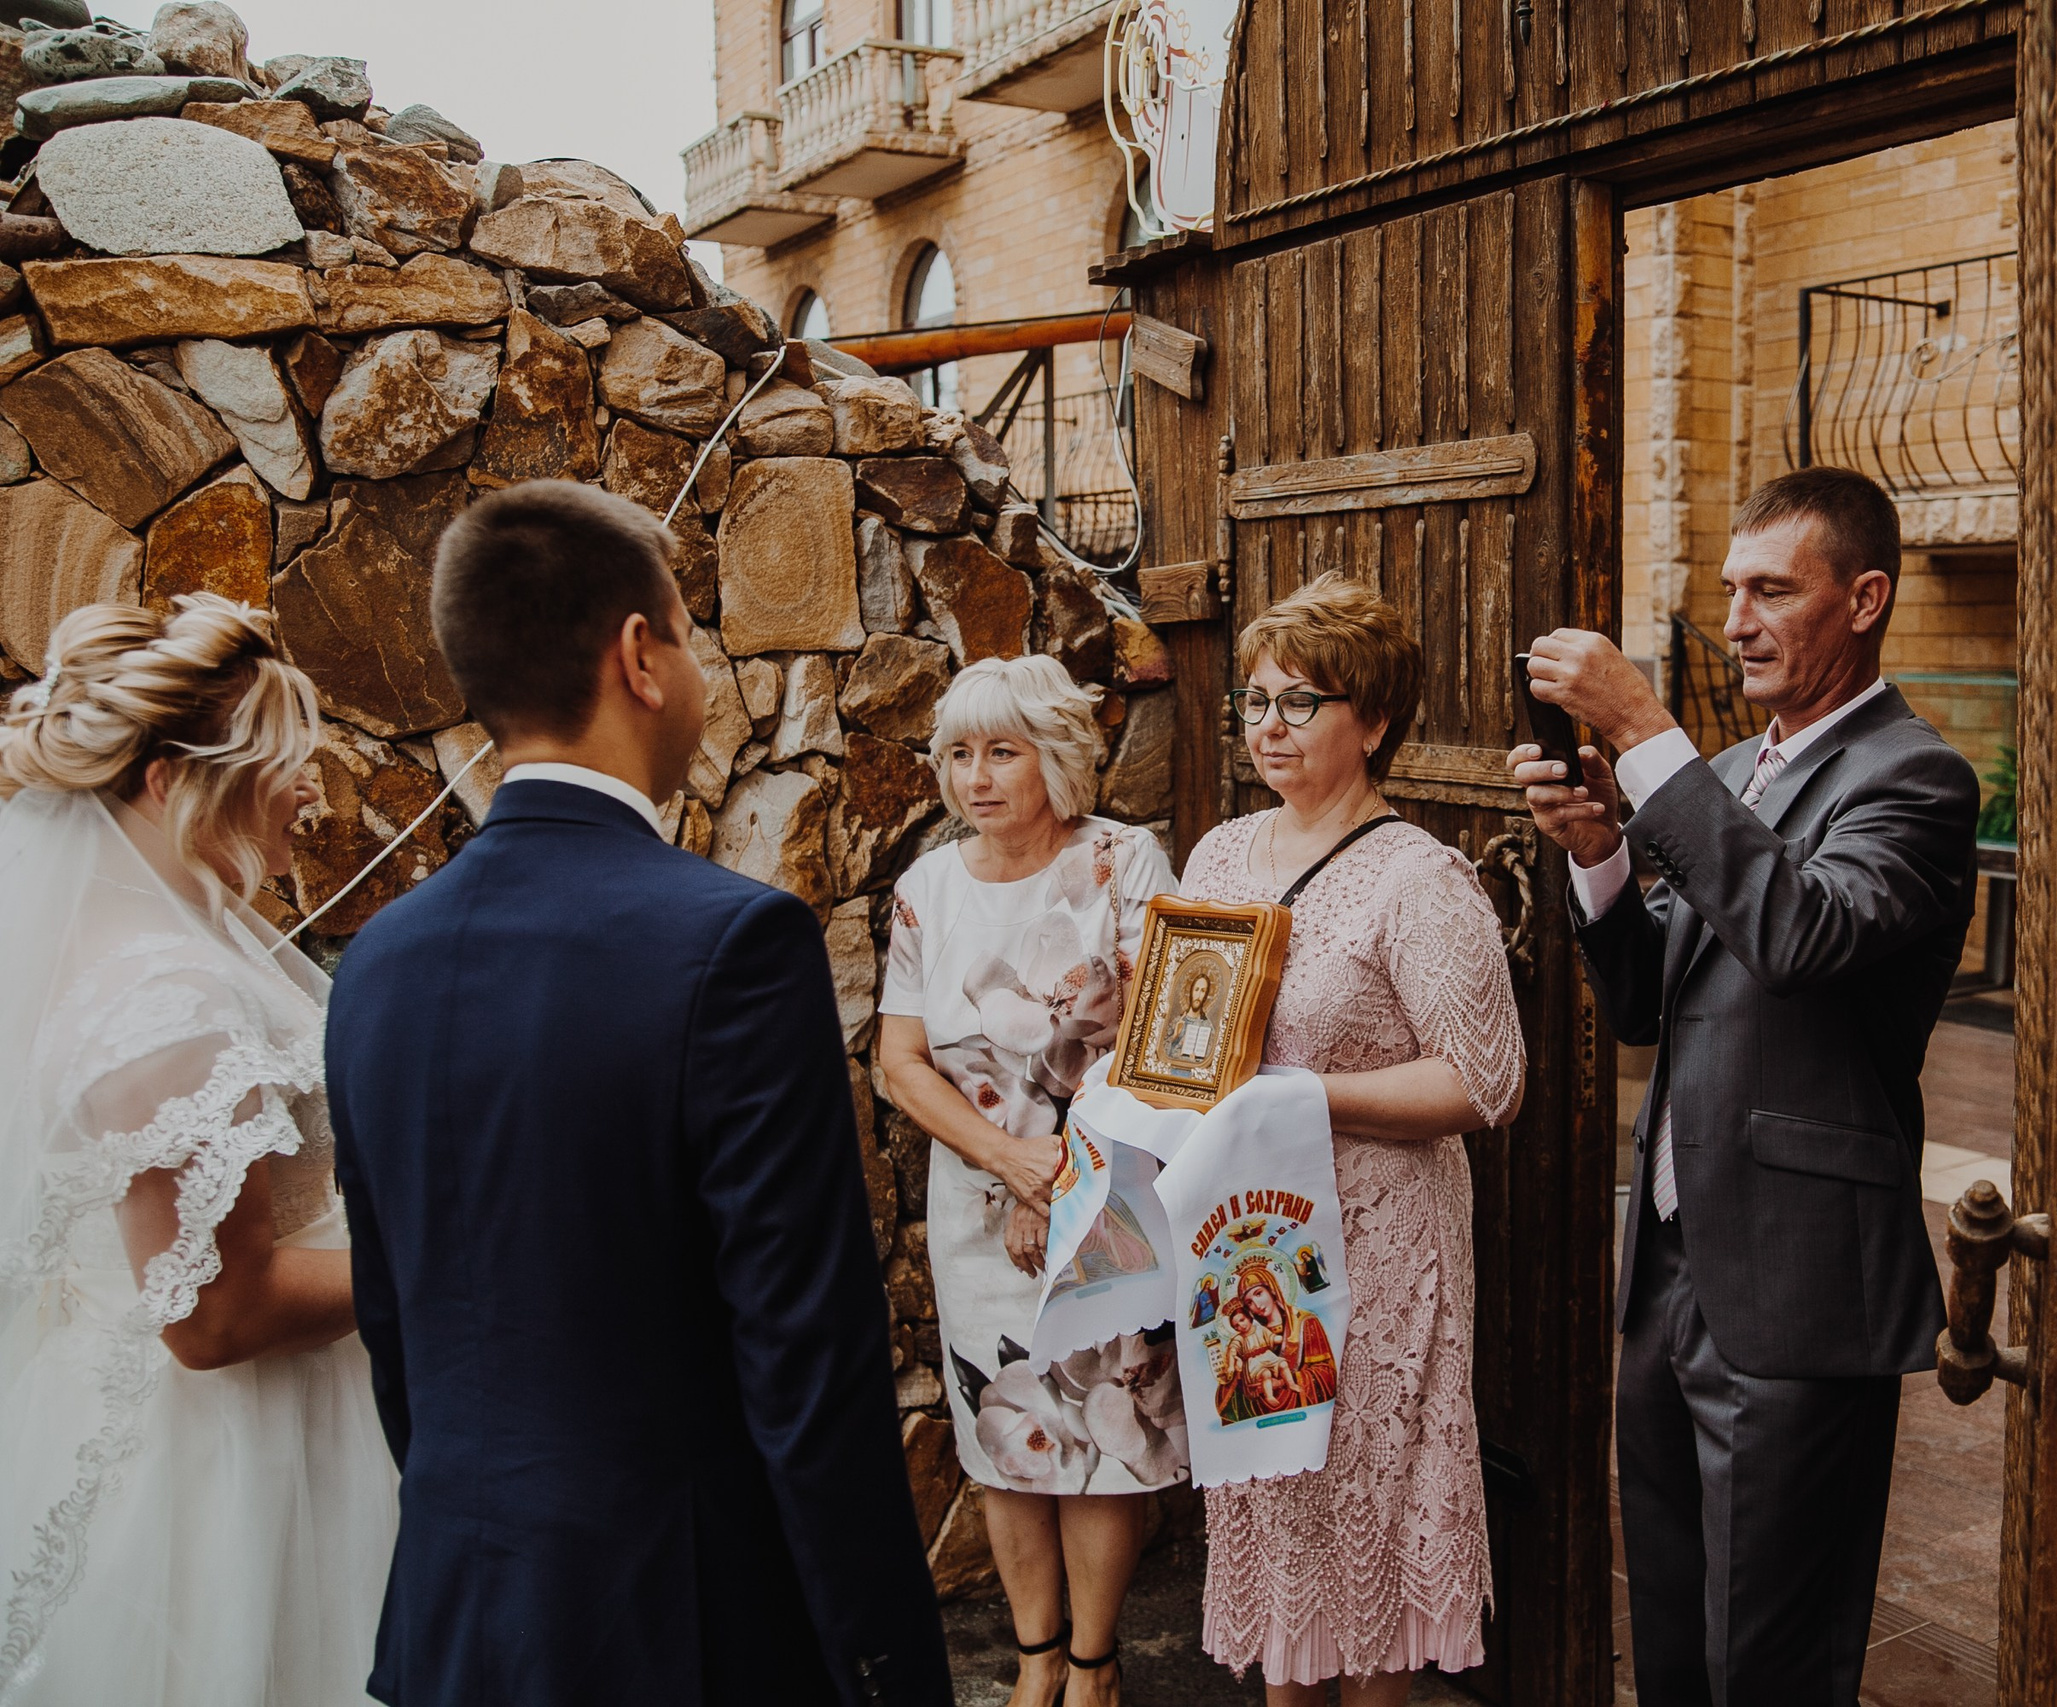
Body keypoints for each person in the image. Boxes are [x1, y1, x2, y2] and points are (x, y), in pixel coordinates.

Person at [326, 482, 949, 1706]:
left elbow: (394, 1321)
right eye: (689, 634)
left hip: (456, 1618)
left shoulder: (376, 962)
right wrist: (883, 1657)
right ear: (637, 656)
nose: (704, 676)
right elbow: (806, 1357)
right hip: (684, 1631)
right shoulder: (734, 944)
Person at [1512, 466, 1978, 1705]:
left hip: (1798, 1284)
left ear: (1865, 599)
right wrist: (1606, 857)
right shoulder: (1726, 771)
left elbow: (1802, 933)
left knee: (1768, 1657)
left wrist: (1642, 733)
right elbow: (1650, 1005)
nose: (1735, 618)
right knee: (1668, 1629)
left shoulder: (1915, 782)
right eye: (1729, 589)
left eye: (1773, 589)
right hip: (1669, 1270)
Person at [0, 596, 397, 1704]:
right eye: (284, 760)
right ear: (176, 783)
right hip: (240, 1455)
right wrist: (450, 1258)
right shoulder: (164, 995)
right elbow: (216, 1316)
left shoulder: (155, 944)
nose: (313, 788)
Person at [1182, 573, 1525, 1706]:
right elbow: (1191, 1037)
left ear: (1372, 722)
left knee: (1368, 1529)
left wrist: (1301, 1094)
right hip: (1251, 1248)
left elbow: (1486, 1081)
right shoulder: (1220, 856)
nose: (1266, 727)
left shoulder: (1419, 878)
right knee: (1283, 1520)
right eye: (1254, 700)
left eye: (1300, 703)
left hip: (1380, 1250)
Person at [878, 653, 1182, 1707]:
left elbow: (1160, 1036)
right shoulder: (925, 887)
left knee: (1105, 1428)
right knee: (1001, 1432)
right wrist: (1009, 1166)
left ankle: (1093, 1666)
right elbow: (898, 1061)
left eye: (1001, 750)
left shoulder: (1123, 861)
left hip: (1109, 1190)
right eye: (957, 754)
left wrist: (1061, 1177)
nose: (976, 777)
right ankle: (1033, 1657)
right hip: (976, 1195)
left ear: (1054, 754)